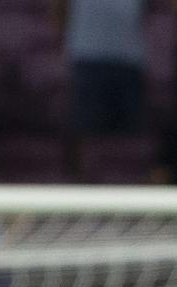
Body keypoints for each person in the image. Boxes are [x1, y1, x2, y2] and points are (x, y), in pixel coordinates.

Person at [53, 0, 149, 179]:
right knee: (85, 133)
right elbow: (59, 8)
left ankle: (130, 191)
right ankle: (80, 192)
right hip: (87, 56)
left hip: (129, 59)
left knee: (130, 139)